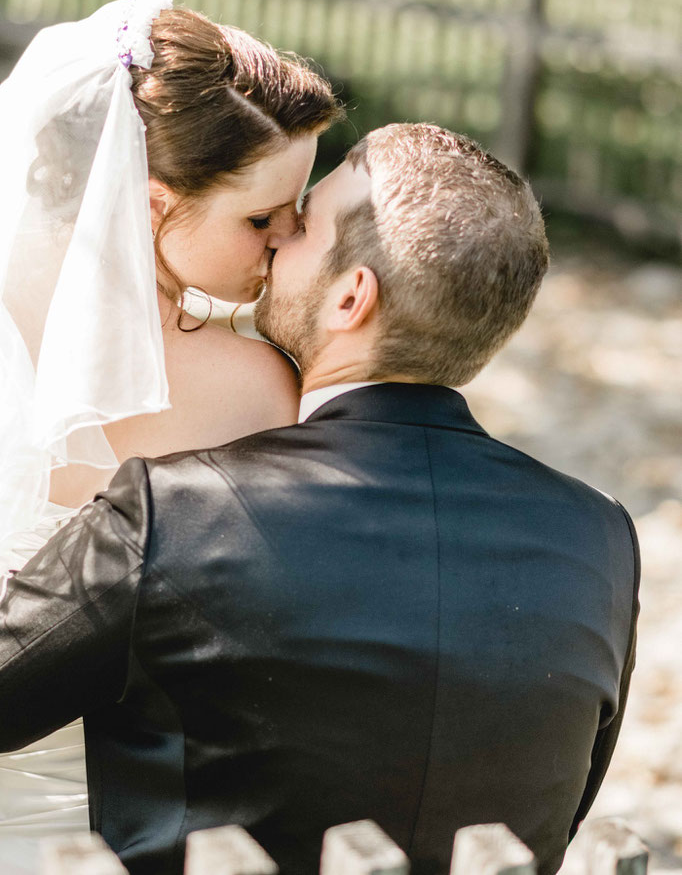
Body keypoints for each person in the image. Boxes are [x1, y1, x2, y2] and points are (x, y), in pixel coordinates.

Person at [0, 124, 639, 875]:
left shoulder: (174, 512)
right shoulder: (599, 539)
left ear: (351, 297)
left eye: (300, 226)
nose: (275, 241)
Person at [0, 0, 341, 868]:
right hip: (141, 822)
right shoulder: (255, 386)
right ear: (153, 205)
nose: (287, 239)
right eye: (261, 217)